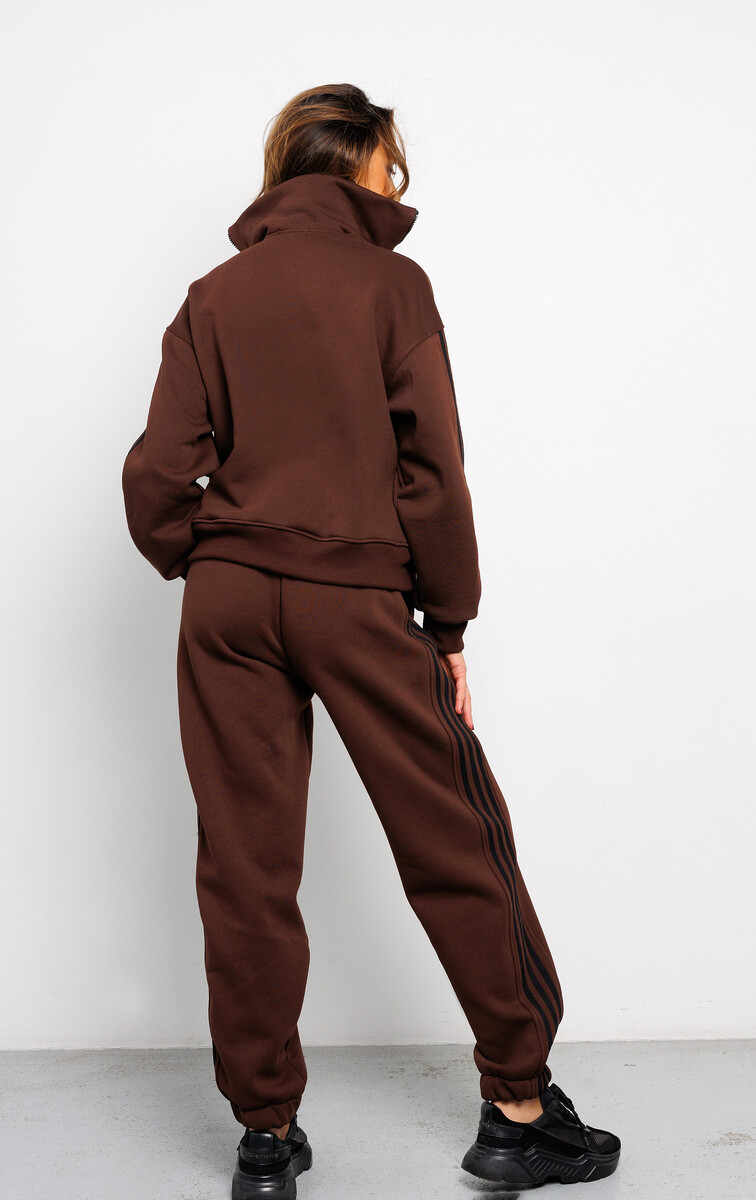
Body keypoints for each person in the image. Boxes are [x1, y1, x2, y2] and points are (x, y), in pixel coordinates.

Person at [122, 83, 621, 1194]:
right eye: (394, 167)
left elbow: (158, 470)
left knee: (244, 864)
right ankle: (519, 1108)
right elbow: (433, 470)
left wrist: (201, 556)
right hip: (353, 597)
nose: (402, 188)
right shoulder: (395, 287)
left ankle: (265, 1137)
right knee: (454, 835)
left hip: (228, 603)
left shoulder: (214, 295)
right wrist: (448, 623)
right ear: (356, 168)